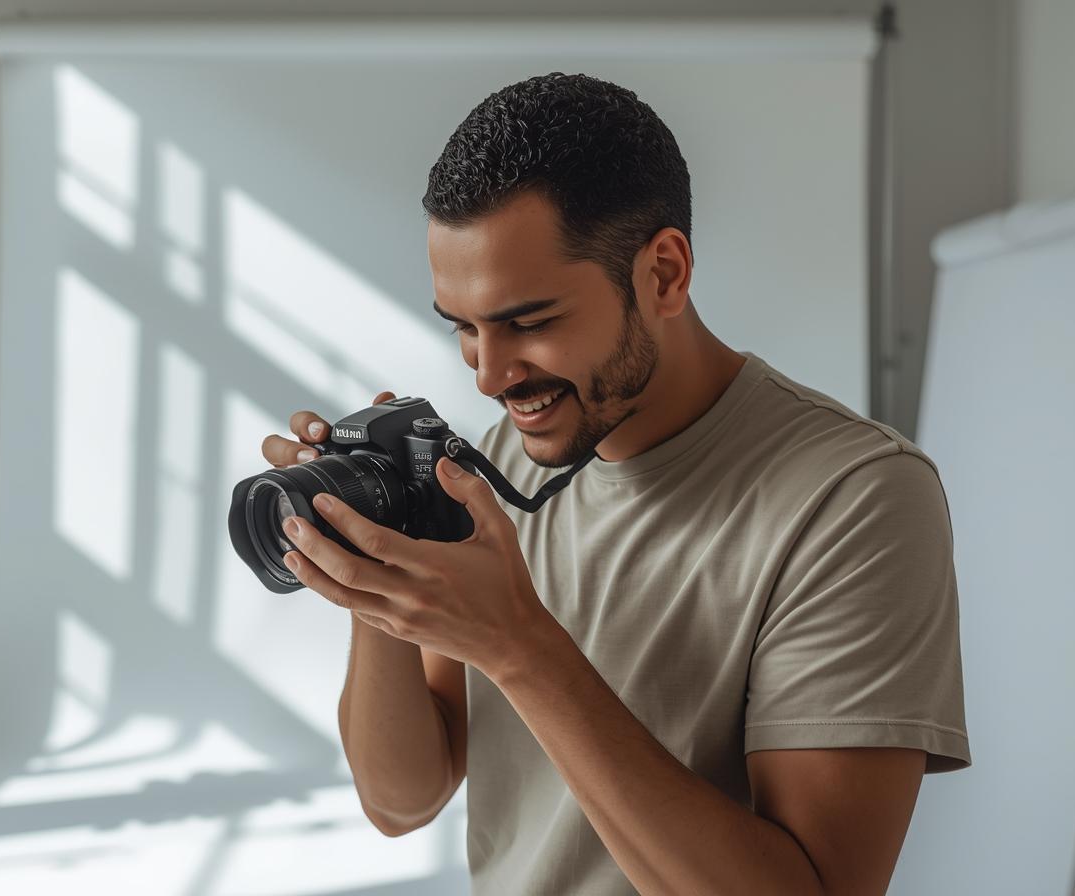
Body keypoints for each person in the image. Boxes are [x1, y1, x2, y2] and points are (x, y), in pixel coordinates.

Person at [259, 72, 969, 895]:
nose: (490, 376)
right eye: (464, 328)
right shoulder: (493, 467)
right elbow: (400, 801)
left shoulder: (853, 497)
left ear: (664, 274)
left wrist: (518, 647)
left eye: (529, 322)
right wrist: (367, 552)